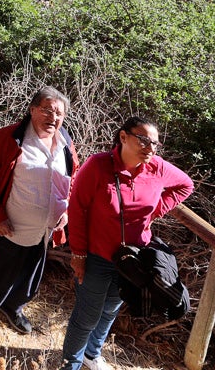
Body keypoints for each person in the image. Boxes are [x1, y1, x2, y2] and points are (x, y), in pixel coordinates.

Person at [58, 116, 193, 370]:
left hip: (132, 260)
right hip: (96, 257)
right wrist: (78, 253)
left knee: (110, 311)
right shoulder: (97, 166)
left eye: (155, 144)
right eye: (143, 140)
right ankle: (70, 365)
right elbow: (77, 210)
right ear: (123, 137)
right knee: (87, 316)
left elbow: (186, 185)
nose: (150, 148)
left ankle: (91, 354)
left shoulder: (158, 168)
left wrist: (155, 212)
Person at [0, 87, 79, 344]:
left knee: (29, 275)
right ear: (32, 109)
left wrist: (66, 210)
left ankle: (12, 306)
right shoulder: (7, 139)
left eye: (59, 113)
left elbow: (72, 179)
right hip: (9, 227)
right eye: (47, 109)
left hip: (44, 230)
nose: (53, 117)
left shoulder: (66, 143)